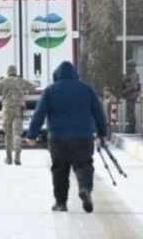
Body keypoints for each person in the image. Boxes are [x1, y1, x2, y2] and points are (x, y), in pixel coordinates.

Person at [26, 61, 107, 213]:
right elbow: (99, 112)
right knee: (84, 164)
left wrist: (32, 134)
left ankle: (61, 203)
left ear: (56, 76)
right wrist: (102, 133)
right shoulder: (86, 89)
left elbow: (39, 113)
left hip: (58, 138)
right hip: (83, 137)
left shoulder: (51, 91)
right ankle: (85, 189)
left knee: (60, 169)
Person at [0, 65, 37, 165]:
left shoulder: (4, 81)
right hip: (18, 110)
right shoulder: (20, 81)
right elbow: (33, 88)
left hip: (7, 110)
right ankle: (17, 157)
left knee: (8, 135)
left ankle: (8, 158)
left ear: (8, 72)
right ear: (15, 72)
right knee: (17, 134)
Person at [121, 60, 140, 133]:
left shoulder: (134, 75)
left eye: (129, 66)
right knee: (129, 112)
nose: (128, 68)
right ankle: (130, 127)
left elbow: (133, 86)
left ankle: (131, 128)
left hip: (132, 96)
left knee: (131, 112)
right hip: (129, 96)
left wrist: (125, 91)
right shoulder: (129, 74)